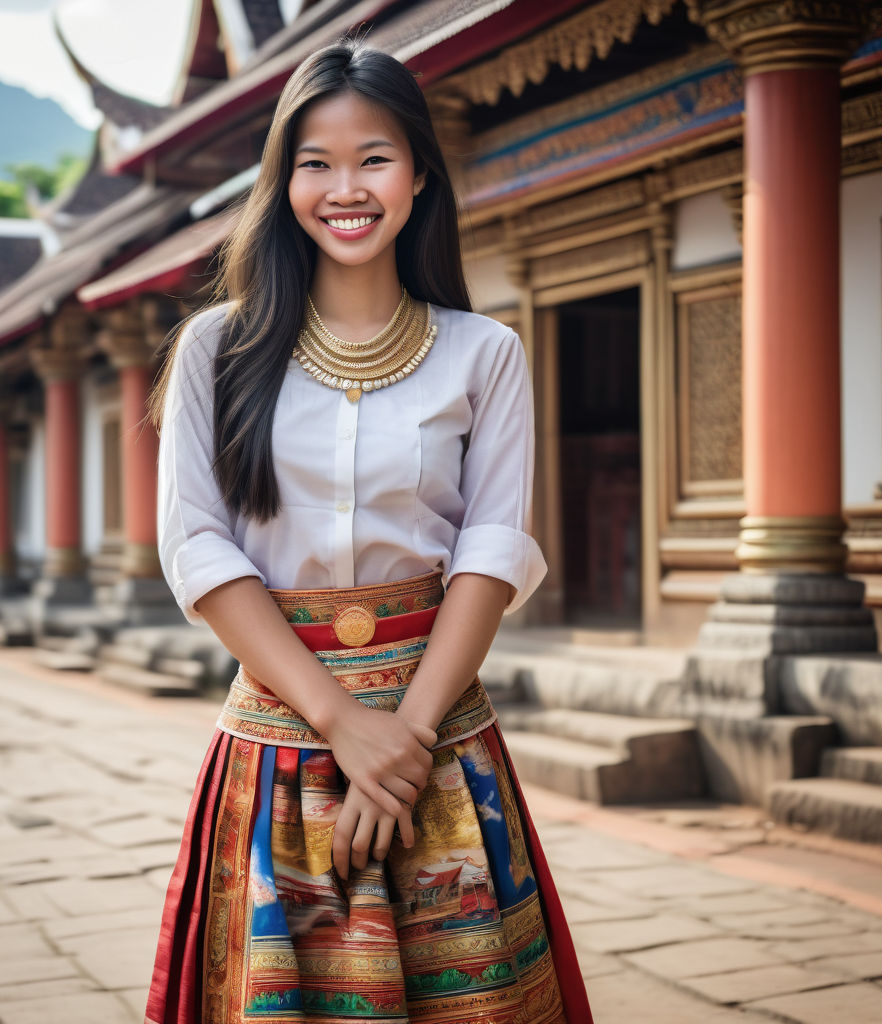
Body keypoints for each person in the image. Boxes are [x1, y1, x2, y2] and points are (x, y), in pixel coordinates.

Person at [144, 37, 593, 1024]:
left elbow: (489, 552)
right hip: (279, 743)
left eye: (374, 158)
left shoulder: (485, 354)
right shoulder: (217, 349)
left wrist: (406, 740)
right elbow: (198, 546)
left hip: (440, 743)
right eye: (315, 162)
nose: (345, 188)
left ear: (421, 173)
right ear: (283, 180)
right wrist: (344, 724)